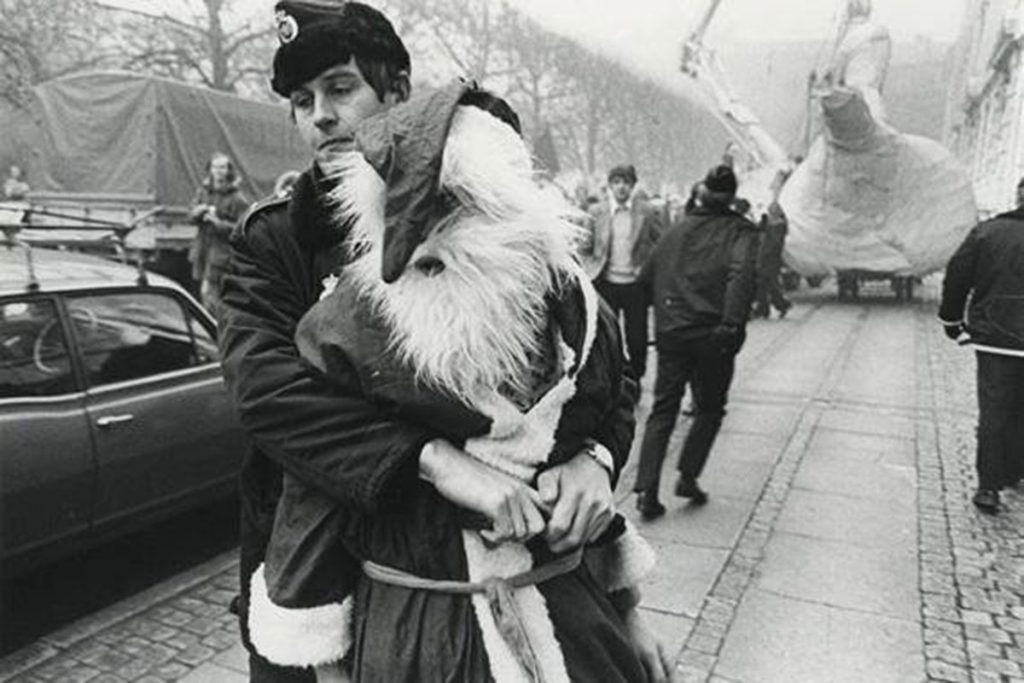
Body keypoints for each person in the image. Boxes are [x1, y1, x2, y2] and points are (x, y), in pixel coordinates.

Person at [216, 3, 664, 681]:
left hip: (523, 579)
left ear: (398, 91)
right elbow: (269, 396)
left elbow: (601, 373)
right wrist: (433, 460)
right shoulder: (274, 240)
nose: (322, 117)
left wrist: (595, 460)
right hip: (321, 578)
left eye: (340, 88)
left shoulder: (491, 215)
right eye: (302, 102)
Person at [632, 165, 759, 519]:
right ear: (732, 197)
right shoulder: (741, 231)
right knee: (710, 408)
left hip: (673, 333)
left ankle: (645, 489)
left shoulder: (677, 229)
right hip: (713, 335)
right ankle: (688, 476)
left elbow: (645, 280)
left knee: (663, 409)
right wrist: (732, 325)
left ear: (702, 193)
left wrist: (664, 315)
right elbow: (742, 276)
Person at [939, 177, 1024, 514]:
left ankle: (989, 486)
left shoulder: (988, 233)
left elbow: (957, 275)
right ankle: (1015, 468)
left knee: (995, 410)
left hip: (995, 337)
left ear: (1018, 196)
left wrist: (952, 320)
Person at [579, 164, 663, 379]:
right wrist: (591, 270)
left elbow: (660, 244)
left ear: (633, 186)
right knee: (607, 337)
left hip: (636, 284)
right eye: (616, 182)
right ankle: (612, 379)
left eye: (626, 182)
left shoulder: (647, 212)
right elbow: (585, 247)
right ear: (610, 185)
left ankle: (636, 378)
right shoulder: (597, 212)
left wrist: (647, 268)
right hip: (606, 282)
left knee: (637, 339)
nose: (621, 187)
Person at [189, 152, 249, 313]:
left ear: (229, 170)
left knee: (211, 296)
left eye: (223, 167)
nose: (218, 171)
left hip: (221, 254)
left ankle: (214, 325)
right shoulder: (203, 192)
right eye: (215, 167)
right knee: (201, 294)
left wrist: (218, 223)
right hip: (202, 250)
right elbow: (190, 218)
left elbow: (242, 229)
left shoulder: (236, 197)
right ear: (210, 169)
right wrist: (198, 212)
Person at [752, 171, 793, 319]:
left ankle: (779, 304)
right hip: (766, 257)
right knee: (764, 283)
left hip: (769, 258)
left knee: (768, 282)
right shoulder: (772, 223)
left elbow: (772, 244)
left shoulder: (778, 225)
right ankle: (764, 307)